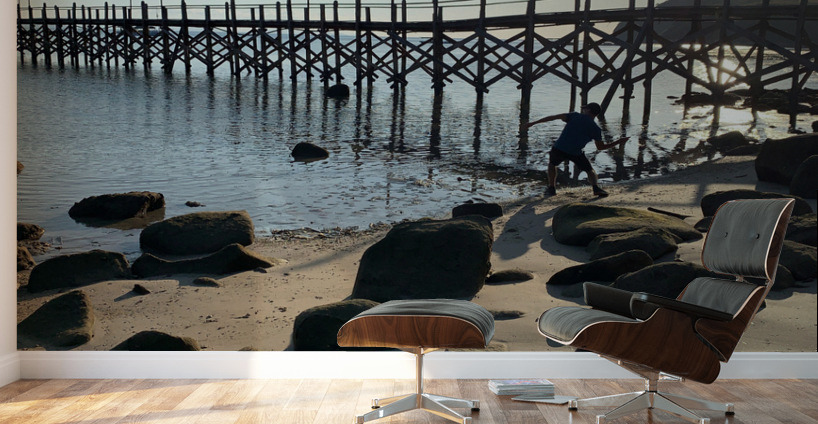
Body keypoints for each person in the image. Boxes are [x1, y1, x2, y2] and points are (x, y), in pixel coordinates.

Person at [524, 102, 629, 197]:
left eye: (585, 108)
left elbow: (554, 117)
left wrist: (533, 123)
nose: (583, 110)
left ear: (588, 110)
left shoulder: (575, 116)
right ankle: (596, 188)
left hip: (560, 147)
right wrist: (619, 141)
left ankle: (552, 188)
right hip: (575, 152)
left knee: (552, 165)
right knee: (590, 170)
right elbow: (600, 147)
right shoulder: (596, 129)